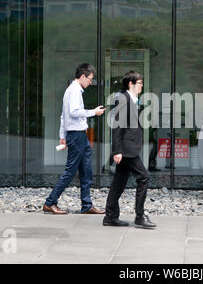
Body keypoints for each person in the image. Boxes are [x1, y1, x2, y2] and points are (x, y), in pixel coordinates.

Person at [43, 63, 106, 214]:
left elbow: (64, 116)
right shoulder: (75, 91)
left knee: (86, 170)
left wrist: (62, 137)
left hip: (78, 135)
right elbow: (74, 112)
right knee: (70, 171)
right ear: (83, 76)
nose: (91, 82)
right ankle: (50, 202)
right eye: (90, 79)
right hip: (77, 135)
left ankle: (87, 205)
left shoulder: (71, 90)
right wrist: (94, 112)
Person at [103, 70, 156, 228]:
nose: (141, 86)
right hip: (126, 150)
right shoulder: (124, 100)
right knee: (143, 177)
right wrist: (117, 151)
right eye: (139, 83)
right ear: (130, 84)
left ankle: (110, 216)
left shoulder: (131, 99)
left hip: (128, 148)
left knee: (119, 182)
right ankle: (139, 216)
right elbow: (117, 127)